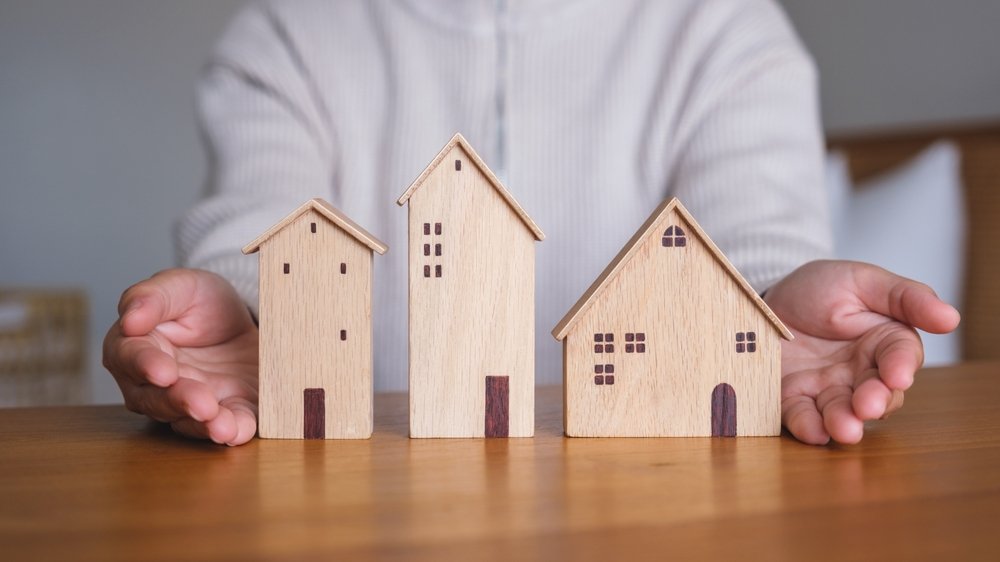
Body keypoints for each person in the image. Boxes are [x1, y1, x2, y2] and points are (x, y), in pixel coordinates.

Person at [102, 0, 959, 446]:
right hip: (363, 501)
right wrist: (246, 317)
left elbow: (752, 238)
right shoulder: (285, 33)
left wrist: (765, 310)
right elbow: (267, 225)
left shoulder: (728, 28)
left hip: (650, 504)